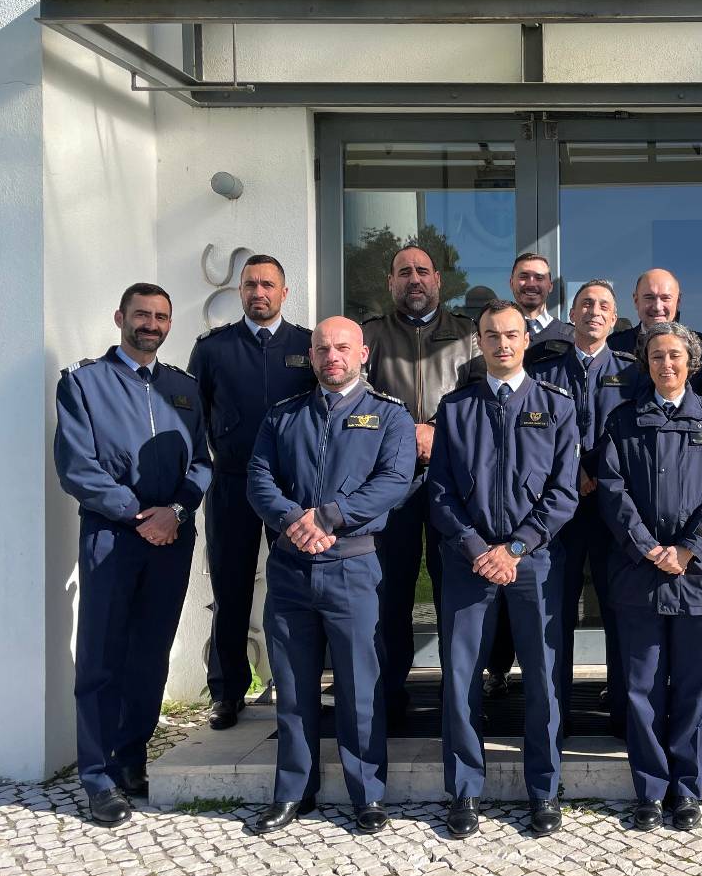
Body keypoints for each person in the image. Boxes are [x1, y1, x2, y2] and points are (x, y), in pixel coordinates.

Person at [245, 317, 415, 834]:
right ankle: (295, 791)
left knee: (360, 684)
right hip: (292, 566)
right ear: (312, 356)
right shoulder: (283, 415)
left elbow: (395, 480)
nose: (331, 356)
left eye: (343, 347)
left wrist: (329, 517)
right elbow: (258, 476)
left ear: (363, 353)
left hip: (353, 567)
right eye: (322, 349)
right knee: (293, 686)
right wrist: (294, 520)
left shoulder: (390, 416)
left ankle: (368, 795)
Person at [53, 283, 211, 827]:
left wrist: (176, 511)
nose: (151, 324)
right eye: (141, 314)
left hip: (171, 538)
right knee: (101, 657)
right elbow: (77, 466)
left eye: (161, 316)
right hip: (112, 538)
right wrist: (137, 515)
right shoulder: (84, 383)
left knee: (150, 654)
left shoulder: (184, 388)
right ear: (120, 316)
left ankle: (132, 759)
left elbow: (203, 463)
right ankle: (97, 777)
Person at [428, 299, 580, 838]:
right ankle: (465, 791)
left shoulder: (557, 407)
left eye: (512, 334)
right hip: (469, 564)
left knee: (543, 679)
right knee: (462, 678)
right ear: (479, 342)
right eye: (491, 335)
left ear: (526, 341)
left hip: (534, 563)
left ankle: (544, 789)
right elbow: (441, 494)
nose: (503, 344)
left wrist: (513, 549)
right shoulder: (454, 408)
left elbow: (563, 495)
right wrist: (476, 548)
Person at [598, 322, 702, 831]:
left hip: (697, 573)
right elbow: (612, 493)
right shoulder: (623, 421)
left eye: (675, 355)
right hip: (641, 573)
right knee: (641, 689)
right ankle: (650, 790)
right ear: (646, 363)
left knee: (695, 691)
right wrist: (649, 548)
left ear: (691, 362)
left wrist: (686, 549)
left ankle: (687, 789)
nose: (666, 364)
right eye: (656, 356)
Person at [187, 254, 316, 732]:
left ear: (285, 292)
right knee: (231, 590)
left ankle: (296, 688)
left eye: (268, 285)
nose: (258, 293)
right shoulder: (214, 349)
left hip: (293, 491)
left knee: (296, 591)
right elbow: (191, 419)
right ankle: (227, 692)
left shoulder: (307, 345)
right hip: (234, 486)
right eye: (250, 285)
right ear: (240, 293)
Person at [361, 243, 482, 726]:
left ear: (439, 280)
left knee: (456, 591)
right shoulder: (371, 335)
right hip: (391, 481)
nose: (414, 280)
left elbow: (479, 397)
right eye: (404, 272)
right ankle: (389, 695)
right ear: (391, 282)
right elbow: (358, 396)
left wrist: (435, 428)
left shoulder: (468, 335)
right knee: (390, 591)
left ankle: (462, 700)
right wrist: (405, 431)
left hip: (454, 480)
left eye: (423, 272)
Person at [526, 279, 641, 739]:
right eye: (586, 304)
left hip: (614, 511)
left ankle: (622, 715)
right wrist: (570, 469)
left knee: (620, 612)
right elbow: (533, 439)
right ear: (570, 315)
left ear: (615, 321)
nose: (594, 312)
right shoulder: (544, 372)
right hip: (559, 512)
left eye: (604, 307)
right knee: (554, 614)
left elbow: (636, 437)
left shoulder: (633, 372)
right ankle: (556, 718)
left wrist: (602, 475)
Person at [486, 251, 573, 697]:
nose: (531, 284)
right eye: (523, 277)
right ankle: (497, 669)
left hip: (547, 507)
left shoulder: (567, 336)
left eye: (540, 278)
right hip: (488, 524)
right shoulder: (489, 340)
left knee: (551, 622)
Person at [607, 269, 702, 393]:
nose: (657, 307)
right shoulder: (612, 347)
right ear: (636, 301)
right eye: (649, 298)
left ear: (678, 301)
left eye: (665, 298)